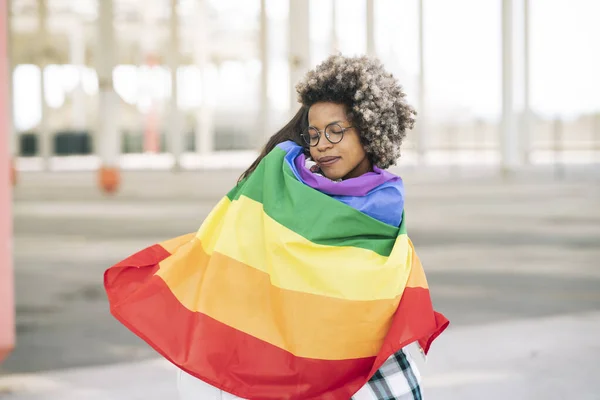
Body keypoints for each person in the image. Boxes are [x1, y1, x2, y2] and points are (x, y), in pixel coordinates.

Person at [104, 54, 448, 400]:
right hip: (283, 362)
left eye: (335, 131)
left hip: (364, 371)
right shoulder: (287, 187)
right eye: (313, 134)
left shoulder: (387, 206)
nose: (322, 144)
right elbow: (244, 249)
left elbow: (382, 302)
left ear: (370, 128)